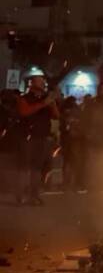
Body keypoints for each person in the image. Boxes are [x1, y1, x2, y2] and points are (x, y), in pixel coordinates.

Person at [15, 75, 59, 205]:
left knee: (37, 168)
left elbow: (56, 116)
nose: (42, 85)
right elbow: (24, 112)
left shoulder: (46, 99)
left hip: (42, 137)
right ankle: (21, 194)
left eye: (43, 82)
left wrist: (52, 103)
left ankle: (34, 195)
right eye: (40, 82)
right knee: (25, 167)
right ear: (32, 84)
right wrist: (42, 104)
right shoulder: (24, 98)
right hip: (27, 137)